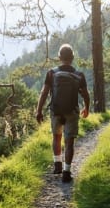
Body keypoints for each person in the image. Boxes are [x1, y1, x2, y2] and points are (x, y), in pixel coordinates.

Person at [35, 44, 91, 182]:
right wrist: (87, 108)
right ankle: (66, 171)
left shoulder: (52, 73)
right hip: (72, 111)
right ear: (72, 57)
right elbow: (85, 94)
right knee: (69, 141)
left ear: (59, 57)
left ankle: (57, 165)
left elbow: (44, 93)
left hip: (56, 111)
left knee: (56, 137)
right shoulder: (79, 75)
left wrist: (39, 110)